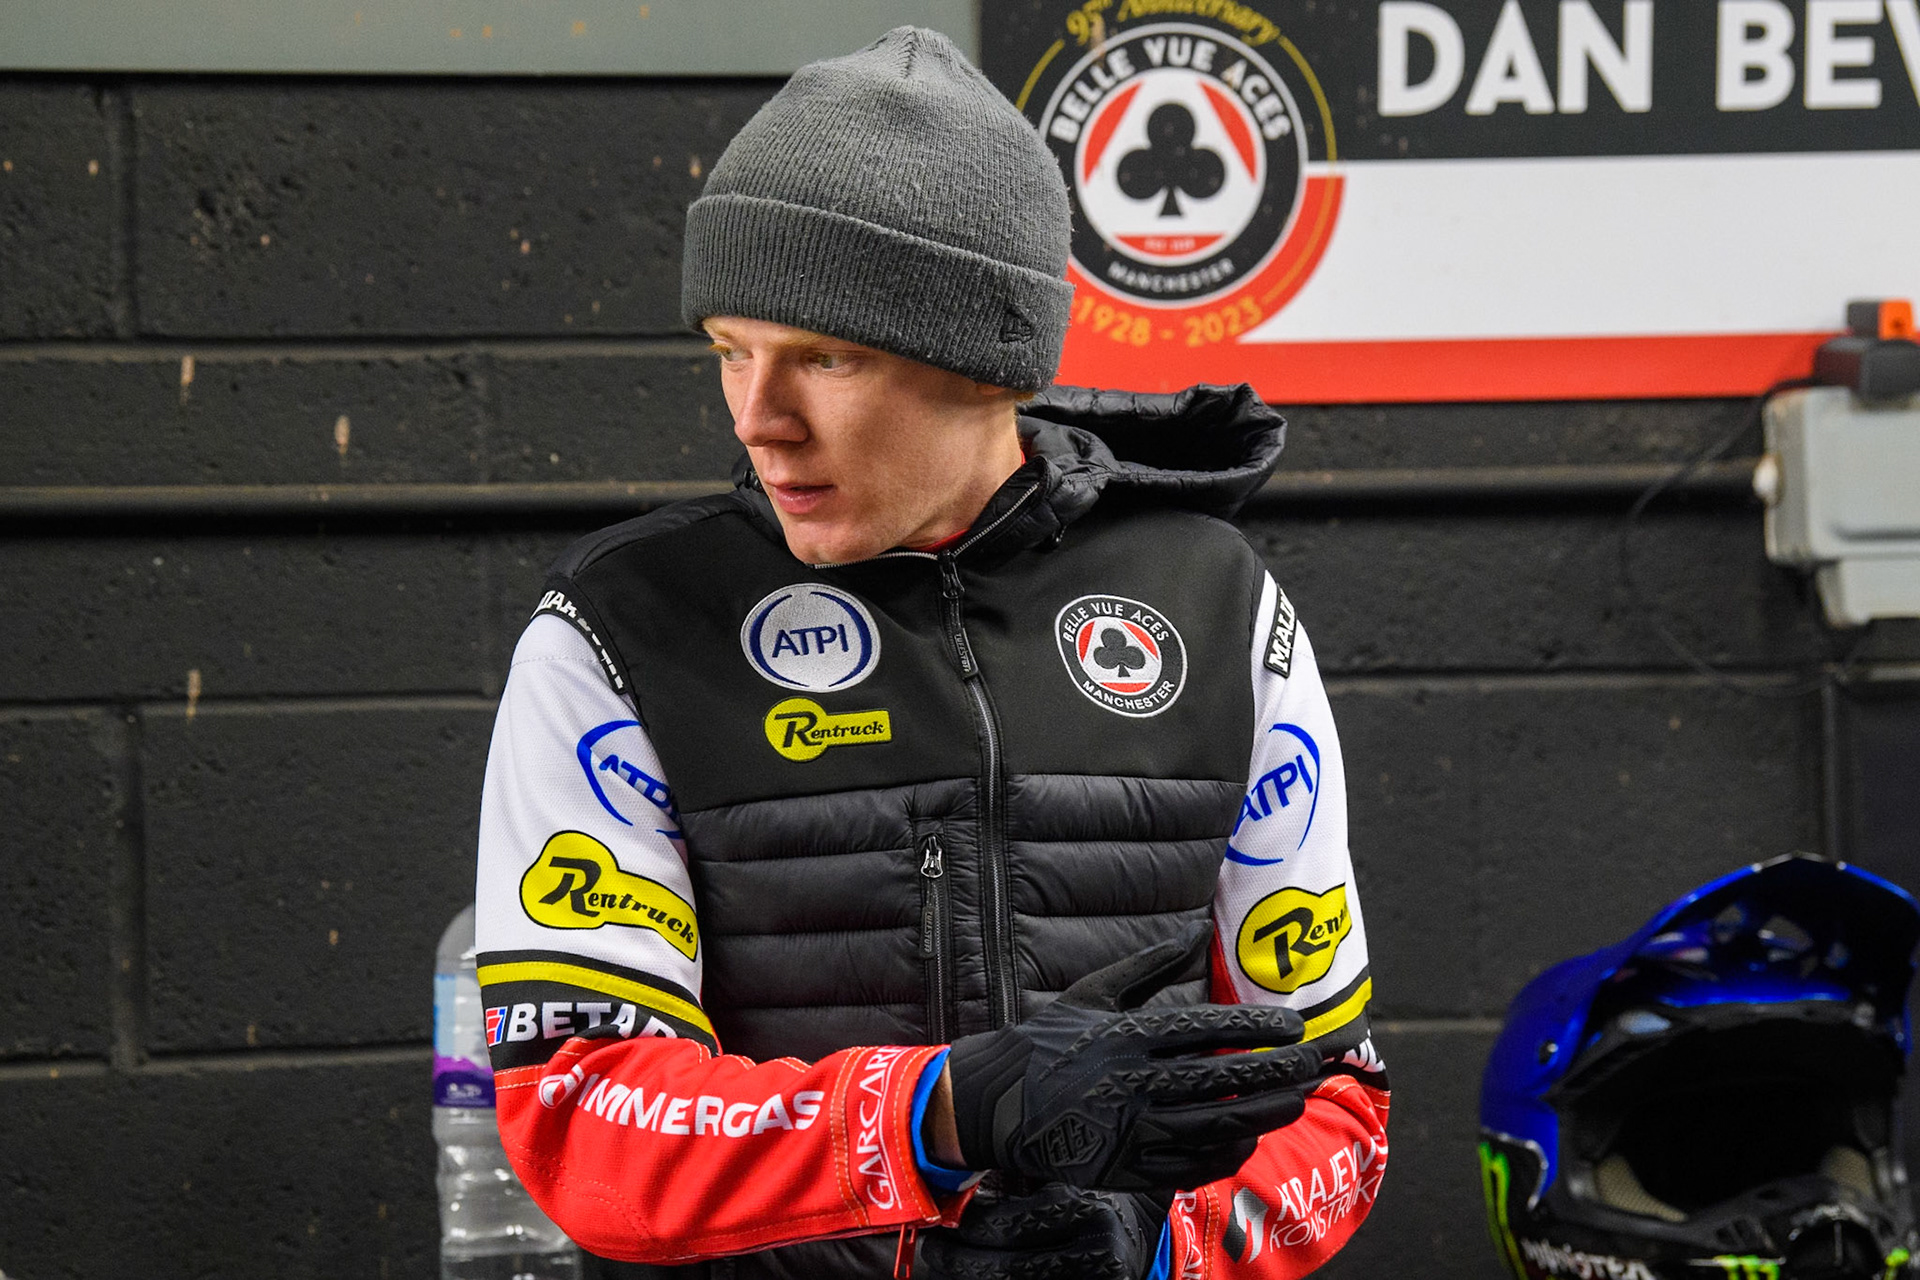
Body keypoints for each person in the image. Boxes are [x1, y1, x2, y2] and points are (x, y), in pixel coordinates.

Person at [474, 25, 1389, 1279]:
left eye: (824, 357)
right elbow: (581, 1115)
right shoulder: (620, 627)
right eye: (730, 351)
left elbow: (1334, 1095)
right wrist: (936, 1122)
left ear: (986, 361)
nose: (758, 419)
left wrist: (1154, 1246)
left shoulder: (1218, 608)